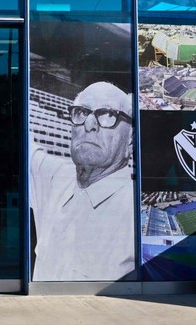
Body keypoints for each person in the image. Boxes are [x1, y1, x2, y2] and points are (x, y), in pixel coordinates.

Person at [30, 81, 134, 281]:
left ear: (130, 138)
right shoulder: (56, 177)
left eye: (108, 115)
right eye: (81, 112)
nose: (89, 124)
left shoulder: (135, 210)